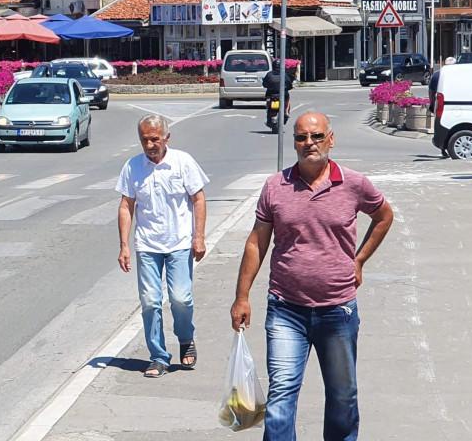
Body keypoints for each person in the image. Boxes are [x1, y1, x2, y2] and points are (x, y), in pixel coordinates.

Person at [230, 112, 395, 441]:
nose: (310, 144)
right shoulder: (275, 186)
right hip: (285, 309)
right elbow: (257, 241)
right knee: (280, 399)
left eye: (317, 137)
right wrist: (242, 296)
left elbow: (384, 215)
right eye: (302, 138)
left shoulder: (353, 184)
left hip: (337, 310)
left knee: (342, 397)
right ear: (294, 142)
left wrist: (359, 260)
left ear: (330, 139)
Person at [116, 114, 209, 378]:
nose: (149, 145)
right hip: (147, 244)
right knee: (149, 302)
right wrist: (124, 245)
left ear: (166, 138)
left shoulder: (183, 162)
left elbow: (198, 199)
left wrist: (198, 237)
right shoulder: (133, 167)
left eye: (154, 139)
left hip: (179, 242)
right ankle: (158, 356)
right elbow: (126, 205)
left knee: (181, 298)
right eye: (144, 139)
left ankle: (185, 337)